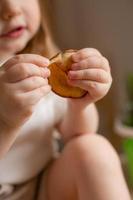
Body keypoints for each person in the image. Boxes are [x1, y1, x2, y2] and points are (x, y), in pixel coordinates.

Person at [0, 0, 131, 200]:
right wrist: (6, 123)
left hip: (43, 184)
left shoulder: (42, 62)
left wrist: (80, 104)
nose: (11, 9)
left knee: (92, 149)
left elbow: (76, 135)